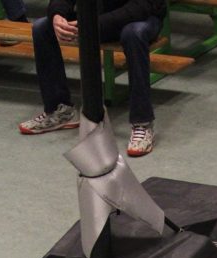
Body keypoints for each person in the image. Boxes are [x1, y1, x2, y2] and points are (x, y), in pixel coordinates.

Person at [17, 0, 165, 157]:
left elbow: (141, 7)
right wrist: (57, 16)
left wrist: (92, 24)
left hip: (141, 17)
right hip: (96, 19)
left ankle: (142, 123)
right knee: (41, 27)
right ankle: (60, 111)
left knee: (134, 33)